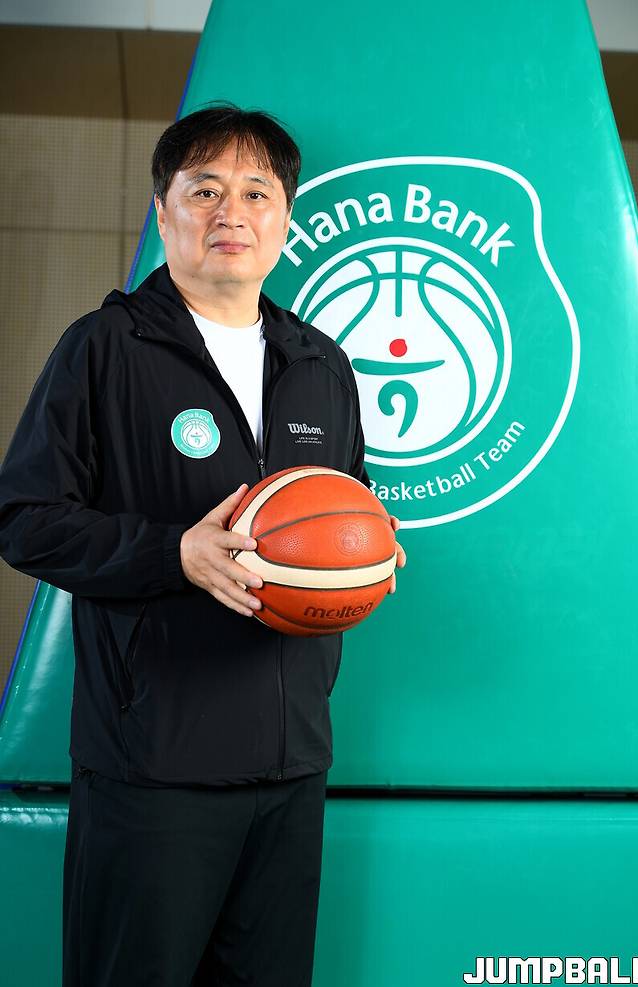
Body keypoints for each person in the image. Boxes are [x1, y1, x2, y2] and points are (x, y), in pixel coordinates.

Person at [0, 101, 406, 986]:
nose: (232, 212)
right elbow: (24, 517)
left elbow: (349, 506)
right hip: (153, 766)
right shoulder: (103, 349)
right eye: (205, 189)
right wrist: (171, 554)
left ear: (285, 221)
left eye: (257, 192)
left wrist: (368, 551)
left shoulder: (321, 363)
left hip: (292, 763)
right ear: (164, 210)